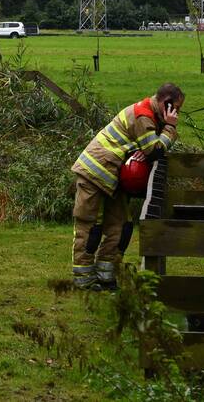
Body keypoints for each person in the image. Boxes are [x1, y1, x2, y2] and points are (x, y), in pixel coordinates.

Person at [69, 83, 184, 291]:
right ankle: (83, 279)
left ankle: (107, 275)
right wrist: (170, 128)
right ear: (166, 103)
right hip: (94, 171)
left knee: (121, 226)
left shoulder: (151, 116)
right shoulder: (144, 116)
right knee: (90, 225)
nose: (177, 113)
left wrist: (147, 147)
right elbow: (154, 151)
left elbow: (149, 148)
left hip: (113, 174)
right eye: (175, 108)